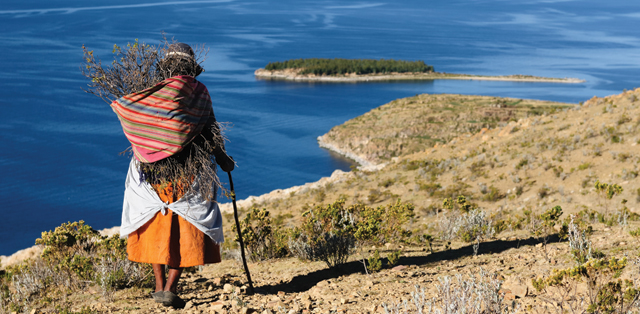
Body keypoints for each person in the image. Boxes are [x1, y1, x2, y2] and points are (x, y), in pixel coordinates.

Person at [110, 43, 234, 307]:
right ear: (191, 68)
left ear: (166, 68)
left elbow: (132, 117)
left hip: (151, 174)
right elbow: (211, 128)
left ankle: (158, 285)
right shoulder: (199, 91)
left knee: (156, 226)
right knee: (187, 227)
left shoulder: (149, 94)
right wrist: (223, 160)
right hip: (189, 173)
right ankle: (170, 286)